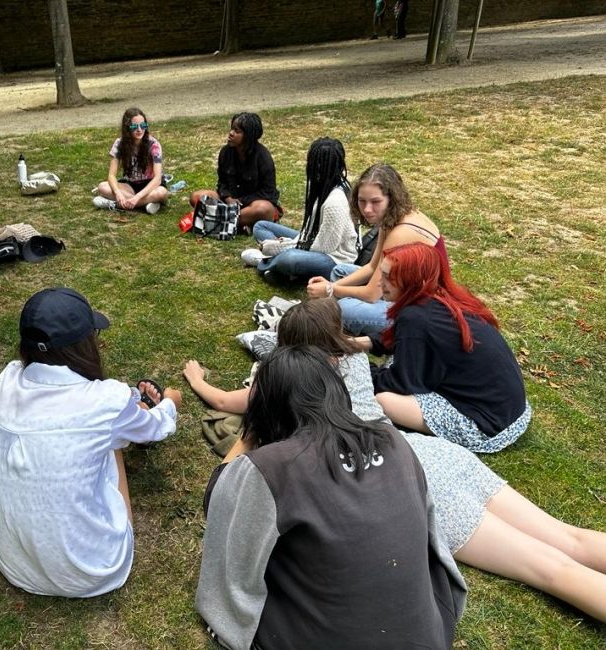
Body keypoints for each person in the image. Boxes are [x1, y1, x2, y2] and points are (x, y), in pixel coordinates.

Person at [189, 299, 606, 623]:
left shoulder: (283, 383)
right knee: (567, 538)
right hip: (433, 452)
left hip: (413, 477)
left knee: (552, 570)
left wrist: (195, 378)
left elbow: (227, 402)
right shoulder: (351, 358)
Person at [195, 344, 465, 648]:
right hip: (429, 635)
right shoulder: (393, 440)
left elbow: (218, 500)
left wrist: (250, 433)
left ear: (267, 407)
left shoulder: (272, 467)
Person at [0, 287, 182, 598]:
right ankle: (131, 418)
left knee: (106, 431)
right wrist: (171, 401)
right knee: (112, 440)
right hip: (90, 569)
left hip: (14, 562)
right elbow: (156, 429)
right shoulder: (105, 400)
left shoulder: (7, 380)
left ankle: (128, 418)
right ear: (83, 345)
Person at [361, 242, 531, 452]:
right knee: (394, 361)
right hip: (513, 411)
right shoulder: (441, 297)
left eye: (389, 277)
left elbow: (401, 383)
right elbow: (405, 341)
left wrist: (361, 368)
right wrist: (361, 343)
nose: (380, 283)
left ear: (412, 279)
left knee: (385, 400)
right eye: (382, 274)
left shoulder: (415, 317)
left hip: (487, 424)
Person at [306, 162, 443, 335]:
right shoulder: (391, 218)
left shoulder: (401, 233)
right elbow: (372, 267)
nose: (367, 209)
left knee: (344, 307)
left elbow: (372, 294)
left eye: (375, 202)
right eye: (361, 201)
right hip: (397, 288)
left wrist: (329, 290)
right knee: (340, 271)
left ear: (391, 198)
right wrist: (331, 286)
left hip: (419, 310)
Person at [241, 137, 357, 281]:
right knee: (260, 226)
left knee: (290, 258)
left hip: (334, 258)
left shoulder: (335, 202)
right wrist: (290, 242)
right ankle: (285, 271)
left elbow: (323, 248)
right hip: (312, 241)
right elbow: (309, 232)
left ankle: (265, 263)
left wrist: (281, 246)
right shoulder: (324, 187)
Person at [189, 112, 283, 231]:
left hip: (251, 204)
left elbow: (268, 192)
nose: (231, 133)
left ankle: (217, 221)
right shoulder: (225, 152)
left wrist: (240, 202)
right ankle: (240, 224)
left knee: (264, 209)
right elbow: (222, 183)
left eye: (237, 131)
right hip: (228, 203)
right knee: (196, 197)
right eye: (231, 129)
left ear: (248, 136)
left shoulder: (263, 157)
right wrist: (228, 198)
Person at [92, 108, 170, 214]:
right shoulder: (119, 143)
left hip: (151, 186)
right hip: (130, 186)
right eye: (134, 126)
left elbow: (157, 179)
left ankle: (117, 204)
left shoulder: (154, 145)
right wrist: (118, 193)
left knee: (162, 193)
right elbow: (111, 175)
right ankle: (147, 204)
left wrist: (137, 197)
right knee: (102, 187)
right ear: (127, 127)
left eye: (143, 126)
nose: (139, 129)